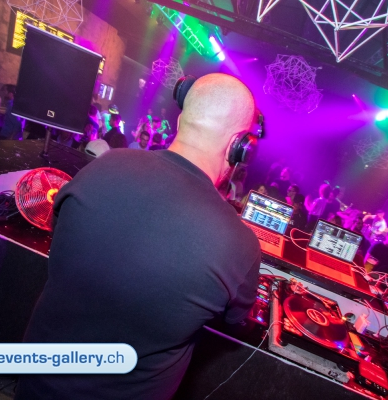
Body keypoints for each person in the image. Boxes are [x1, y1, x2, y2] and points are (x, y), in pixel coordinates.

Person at [15, 73, 261, 400]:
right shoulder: (239, 244)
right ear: (239, 147)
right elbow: (236, 322)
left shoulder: (105, 164)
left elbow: (59, 230)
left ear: (181, 120)